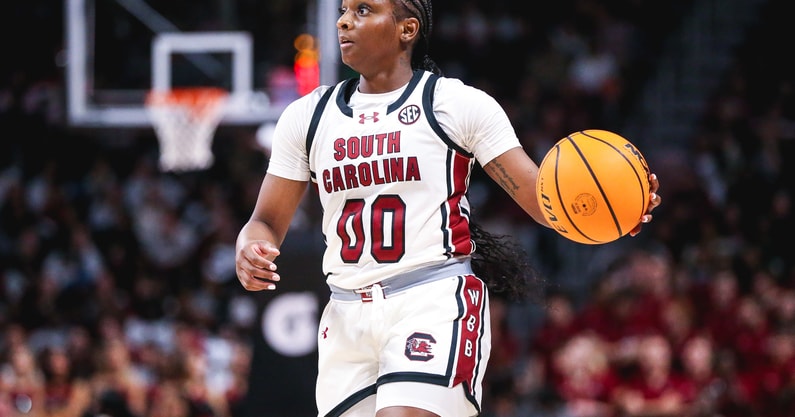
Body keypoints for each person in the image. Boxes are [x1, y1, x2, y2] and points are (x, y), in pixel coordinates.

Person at [235, 0, 662, 416]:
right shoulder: (306, 117)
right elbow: (266, 222)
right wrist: (250, 246)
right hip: (345, 314)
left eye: (364, 10)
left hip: (431, 299)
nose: (345, 22)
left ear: (407, 29)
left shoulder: (456, 105)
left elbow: (543, 202)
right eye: (345, 11)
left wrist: (615, 210)